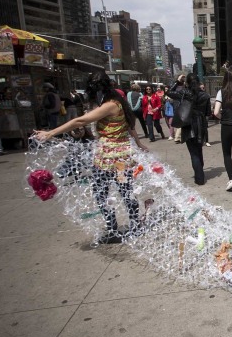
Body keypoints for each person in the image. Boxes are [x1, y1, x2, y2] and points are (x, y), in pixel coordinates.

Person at [34, 72, 148, 244]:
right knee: (124, 191)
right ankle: (131, 226)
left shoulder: (110, 105)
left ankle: (115, 229)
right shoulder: (118, 102)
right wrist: (138, 144)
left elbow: (80, 121)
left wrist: (51, 133)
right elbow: (130, 126)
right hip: (119, 158)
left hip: (110, 159)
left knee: (104, 193)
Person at [167, 73, 211, 185]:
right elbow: (208, 113)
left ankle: (199, 177)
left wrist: (177, 82)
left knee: (193, 153)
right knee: (199, 149)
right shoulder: (205, 95)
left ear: (187, 82)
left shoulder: (185, 92)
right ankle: (200, 172)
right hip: (201, 123)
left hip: (189, 123)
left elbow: (169, 92)